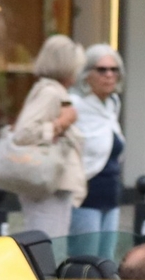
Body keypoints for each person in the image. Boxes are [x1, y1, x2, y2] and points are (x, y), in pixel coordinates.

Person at [6, 35, 86, 238]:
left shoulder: (53, 91)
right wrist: (61, 123)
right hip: (47, 185)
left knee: (51, 245)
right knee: (47, 247)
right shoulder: (50, 93)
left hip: (53, 183)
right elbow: (23, 133)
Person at [69, 43, 127, 249]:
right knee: (85, 264)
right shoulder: (75, 105)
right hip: (86, 198)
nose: (109, 75)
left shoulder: (112, 105)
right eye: (101, 69)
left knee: (106, 263)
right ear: (86, 74)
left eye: (114, 69)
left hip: (111, 197)